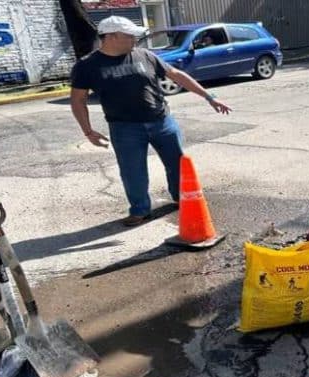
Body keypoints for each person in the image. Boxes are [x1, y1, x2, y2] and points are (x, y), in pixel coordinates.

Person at [70, 16, 231, 226]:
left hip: (162, 122)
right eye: (130, 36)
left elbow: (176, 74)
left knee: (178, 164)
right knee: (132, 171)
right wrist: (88, 131)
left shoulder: (145, 55)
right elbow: (78, 100)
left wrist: (209, 97)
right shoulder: (87, 66)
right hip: (124, 128)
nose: (135, 40)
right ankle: (139, 210)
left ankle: (183, 198)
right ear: (110, 37)